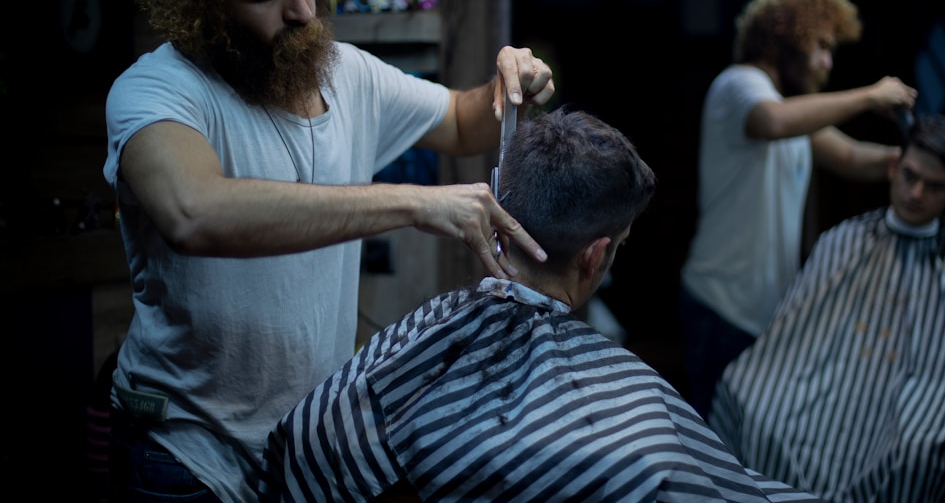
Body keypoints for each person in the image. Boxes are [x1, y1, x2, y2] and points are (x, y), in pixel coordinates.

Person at [103, 0, 555, 503]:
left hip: (305, 446)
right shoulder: (156, 91)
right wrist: (411, 201)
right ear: (205, 1)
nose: (305, 10)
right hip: (185, 455)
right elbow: (192, 212)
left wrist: (517, 80)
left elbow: (464, 121)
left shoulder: (349, 76)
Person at [258, 107, 823, 503]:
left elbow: (305, 450)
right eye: (617, 248)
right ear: (594, 256)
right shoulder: (635, 439)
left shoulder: (414, 345)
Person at [709, 114, 945, 503]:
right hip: (825, 389)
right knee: (747, 396)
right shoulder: (842, 240)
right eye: (910, 176)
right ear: (894, 167)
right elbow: (790, 337)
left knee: (917, 447)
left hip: (907, 407)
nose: (916, 192)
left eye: (934, 186)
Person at [678, 0, 918, 417]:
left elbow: (847, 156)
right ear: (788, 33)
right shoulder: (740, 85)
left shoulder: (787, 108)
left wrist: (913, 165)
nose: (828, 63)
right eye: (822, 46)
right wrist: (870, 95)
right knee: (716, 460)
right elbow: (774, 121)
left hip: (759, 316)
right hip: (720, 308)